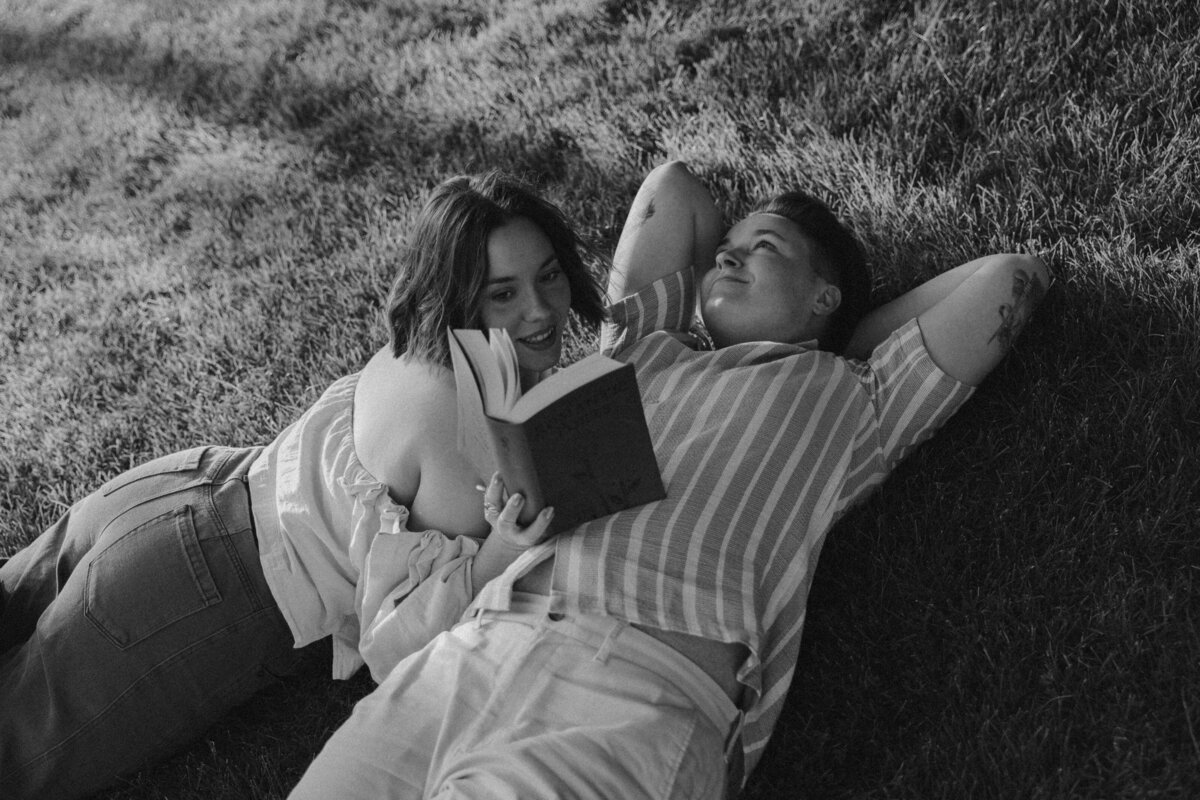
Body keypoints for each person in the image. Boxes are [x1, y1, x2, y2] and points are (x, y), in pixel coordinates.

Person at [287, 159, 1051, 800]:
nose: (726, 254)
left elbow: (1007, 278)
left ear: (824, 297)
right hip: (473, 651)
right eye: (727, 244)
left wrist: (840, 335)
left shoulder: (858, 399)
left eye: (765, 249)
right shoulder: (639, 349)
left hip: (628, 692)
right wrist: (734, 277)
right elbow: (672, 188)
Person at [0, 171, 605, 800]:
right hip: (202, 592)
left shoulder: (426, 342)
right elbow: (400, 645)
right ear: (458, 295)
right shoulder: (463, 424)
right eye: (503, 294)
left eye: (549, 274)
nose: (540, 309)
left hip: (187, 486)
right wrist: (498, 556)